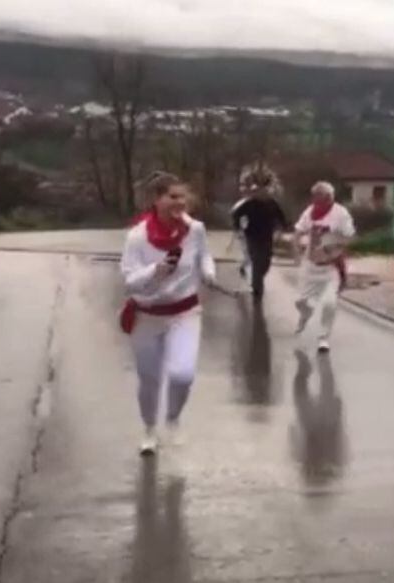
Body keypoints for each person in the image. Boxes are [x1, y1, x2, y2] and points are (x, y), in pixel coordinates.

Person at [120, 171, 218, 455]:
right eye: (172, 197)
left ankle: (172, 418)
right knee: (150, 378)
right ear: (156, 199)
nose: (180, 202)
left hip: (184, 312)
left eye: (183, 197)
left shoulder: (195, 230)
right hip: (147, 316)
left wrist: (209, 272)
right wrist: (156, 271)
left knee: (182, 375)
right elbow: (128, 280)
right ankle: (150, 429)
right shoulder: (137, 237)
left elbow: (204, 255)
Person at [294, 181, 356, 352]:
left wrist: (335, 248)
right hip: (310, 266)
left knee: (329, 303)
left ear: (329, 198)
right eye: (315, 197)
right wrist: (297, 250)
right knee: (301, 302)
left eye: (321, 197)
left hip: (330, 268)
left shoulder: (341, 214)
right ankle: (305, 316)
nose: (317, 201)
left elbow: (350, 237)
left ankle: (323, 337)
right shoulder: (310, 212)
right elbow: (298, 231)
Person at [231, 169, 289, 301]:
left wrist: (283, 227)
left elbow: (281, 217)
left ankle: (257, 277)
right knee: (257, 260)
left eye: (263, 190)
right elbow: (236, 215)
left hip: (267, 236)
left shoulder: (272, 203)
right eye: (258, 190)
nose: (261, 193)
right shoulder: (249, 203)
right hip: (252, 236)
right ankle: (257, 288)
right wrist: (238, 226)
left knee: (266, 262)